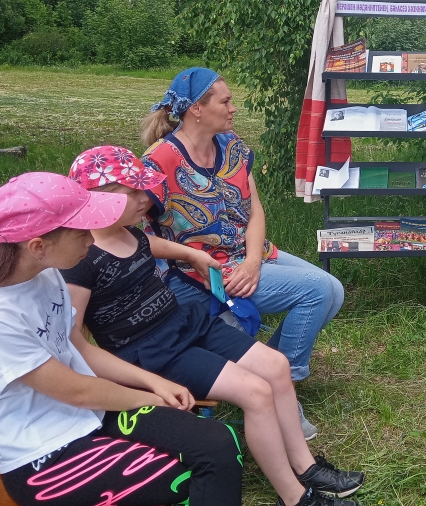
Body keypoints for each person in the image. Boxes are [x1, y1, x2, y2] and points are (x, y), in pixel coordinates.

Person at [62, 146, 364, 506]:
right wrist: (145, 380)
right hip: (152, 352)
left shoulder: (125, 230)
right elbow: (74, 341)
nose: (146, 198)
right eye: (134, 192)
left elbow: (148, 245)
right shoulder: (79, 258)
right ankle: (295, 497)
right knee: (256, 392)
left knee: (276, 366)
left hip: (182, 323)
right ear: (100, 199)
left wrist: (191, 253)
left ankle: (306, 466)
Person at [0, 172, 243, 506]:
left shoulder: (47, 276)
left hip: (92, 415)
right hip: (44, 453)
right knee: (185, 476)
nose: (91, 239)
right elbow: (76, 390)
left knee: (219, 443)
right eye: (82, 232)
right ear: (38, 246)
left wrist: (153, 382)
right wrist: (148, 398)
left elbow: (77, 348)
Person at [141, 67, 343, 439]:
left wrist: (252, 262)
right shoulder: (159, 161)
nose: (233, 108)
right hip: (200, 274)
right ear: (196, 109)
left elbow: (255, 210)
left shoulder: (231, 144)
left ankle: (274, 375)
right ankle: (280, 386)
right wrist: (191, 257)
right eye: (225, 101)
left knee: (334, 291)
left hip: (247, 255)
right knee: (317, 291)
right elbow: (134, 237)